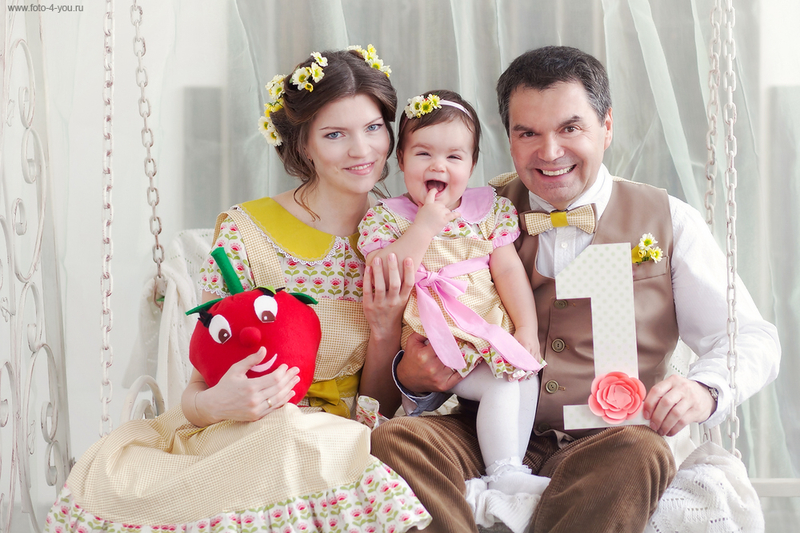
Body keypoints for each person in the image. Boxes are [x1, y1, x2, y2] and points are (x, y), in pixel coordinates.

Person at [370, 46, 781, 533]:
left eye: (570, 128)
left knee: (642, 450)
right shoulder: (473, 212)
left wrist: (704, 390)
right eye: (528, 133)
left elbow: (750, 336)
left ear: (606, 126)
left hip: (607, 441)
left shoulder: (667, 219)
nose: (549, 152)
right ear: (508, 138)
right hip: (488, 429)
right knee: (396, 441)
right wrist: (413, 379)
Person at [44, 47, 431, 533]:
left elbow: (382, 409)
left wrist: (385, 328)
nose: (362, 150)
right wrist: (220, 402)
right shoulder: (246, 233)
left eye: (373, 128)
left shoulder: (410, 237)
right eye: (335, 134)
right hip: (245, 436)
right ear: (303, 145)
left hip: (342, 441)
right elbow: (197, 390)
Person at [357, 89, 548, 496]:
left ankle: (509, 468)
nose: (438, 165)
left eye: (454, 157)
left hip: (487, 330)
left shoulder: (488, 211)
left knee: (524, 376)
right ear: (401, 159)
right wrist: (424, 226)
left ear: (473, 164)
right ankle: (503, 475)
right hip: (439, 337)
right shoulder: (387, 217)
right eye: (423, 153)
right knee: (501, 383)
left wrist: (526, 328)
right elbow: (386, 270)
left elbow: (508, 271)